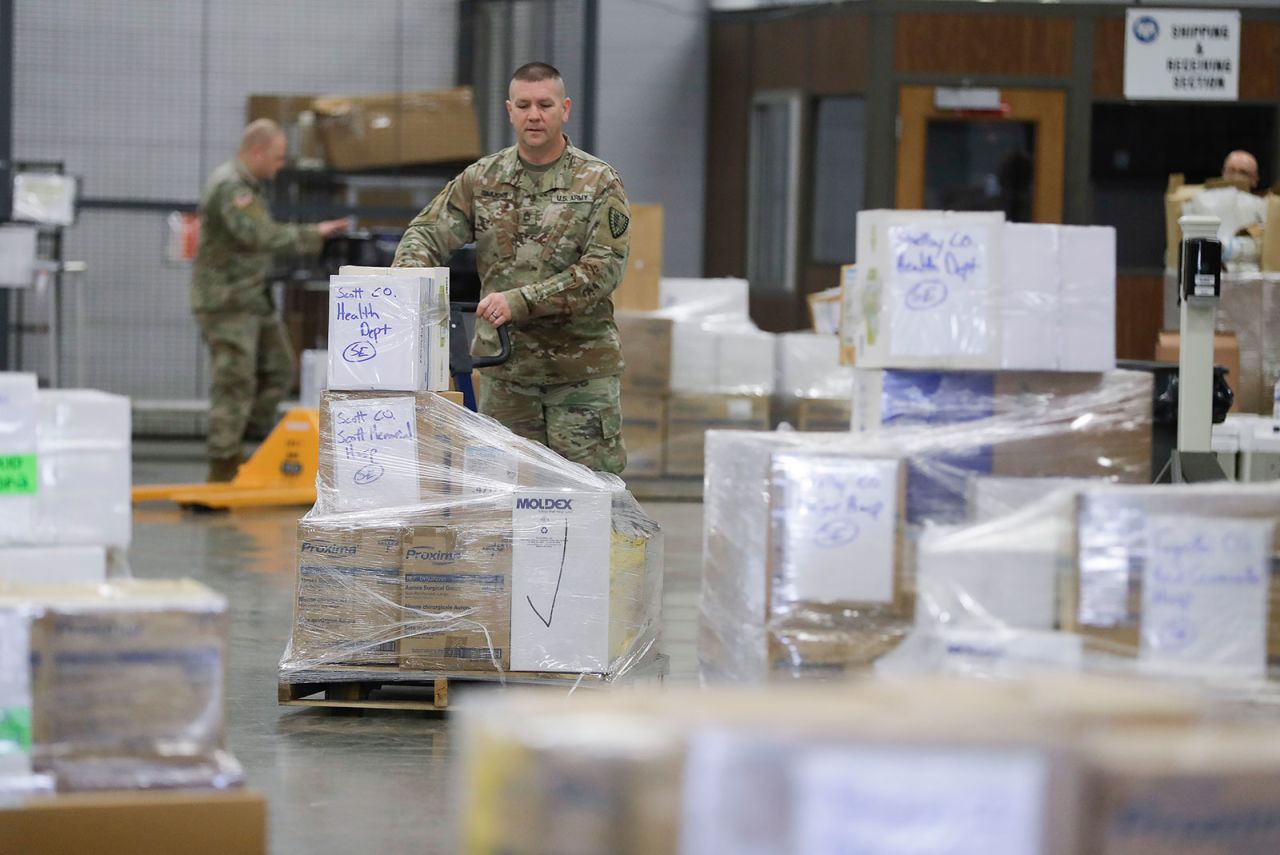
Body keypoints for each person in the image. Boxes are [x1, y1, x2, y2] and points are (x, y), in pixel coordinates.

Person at [393, 62, 631, 474]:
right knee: (506, 505)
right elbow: (428, 233)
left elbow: (602, 270)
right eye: (523, 105)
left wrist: (520, 302)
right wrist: (399, 286)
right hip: (506, 376)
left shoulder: (597, 182)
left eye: (544, 104)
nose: (534, 115)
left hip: (579, 379)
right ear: (509, 110)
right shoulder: (484, 178)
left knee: (589, 504)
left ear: (565, 109)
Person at [191, 119, 349, 482]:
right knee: (234, 381)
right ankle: (223, 468)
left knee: (279, 368)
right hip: (227, 302)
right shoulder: (232, 187)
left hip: (251, 300)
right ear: (257, 151)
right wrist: (313, 234)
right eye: (277, 158)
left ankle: (250, 437)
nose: (279, 167)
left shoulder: (249, 185)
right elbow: (260, 235)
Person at [1184, 149, 1266, 271]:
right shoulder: (1202, 202)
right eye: (1232, 170)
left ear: (1255, 179)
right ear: (1223, 172)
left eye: (1243, 172)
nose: (1236, 176)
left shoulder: (1263, 206)